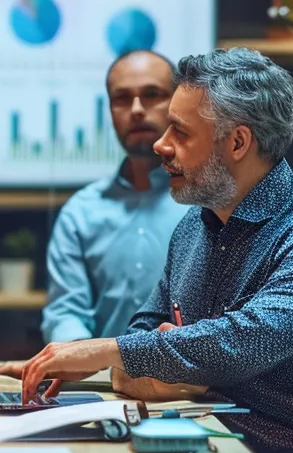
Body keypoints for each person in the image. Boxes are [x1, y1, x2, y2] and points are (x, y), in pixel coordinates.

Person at [0, 48, 293, 453]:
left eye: (180, 132)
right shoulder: (193, 230)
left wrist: (116, 353)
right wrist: (175, 364)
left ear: (238, 142)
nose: (161, 145)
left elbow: (244, 342)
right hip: (215, 449)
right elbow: (145, 341)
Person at [35, 50, 190, 343]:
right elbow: (66, 311)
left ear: (177, 104)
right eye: (121, 99)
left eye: (152, 94)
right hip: (103, 384)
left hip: (191, 384)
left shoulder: (209, 203)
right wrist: (78, 357)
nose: (136, 110)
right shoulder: (80, 213)